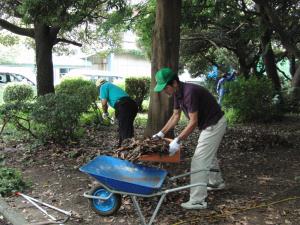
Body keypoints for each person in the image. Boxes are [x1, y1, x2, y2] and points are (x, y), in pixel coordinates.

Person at [152, 67, 227, 210]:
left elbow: (193, 122)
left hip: (214, 124)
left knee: (199, 160)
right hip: (209, 124)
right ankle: (216, 182)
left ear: (174, 83)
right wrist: (161, 133)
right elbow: (175, 116)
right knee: (208, 155)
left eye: (165, 88)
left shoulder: (189, 93)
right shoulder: (177, 93)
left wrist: (177, 141)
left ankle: (198, 201)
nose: (164, 91)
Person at [96, 79, 138, 147]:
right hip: (132, 105)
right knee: (127, 127)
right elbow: (118, 102)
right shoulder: (112, 86)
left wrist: (105, 113)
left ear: (99, 86)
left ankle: (126, 149)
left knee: (124, 129)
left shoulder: (103, 87)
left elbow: (104, 104)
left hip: (124, 106)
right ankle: (127, 146)